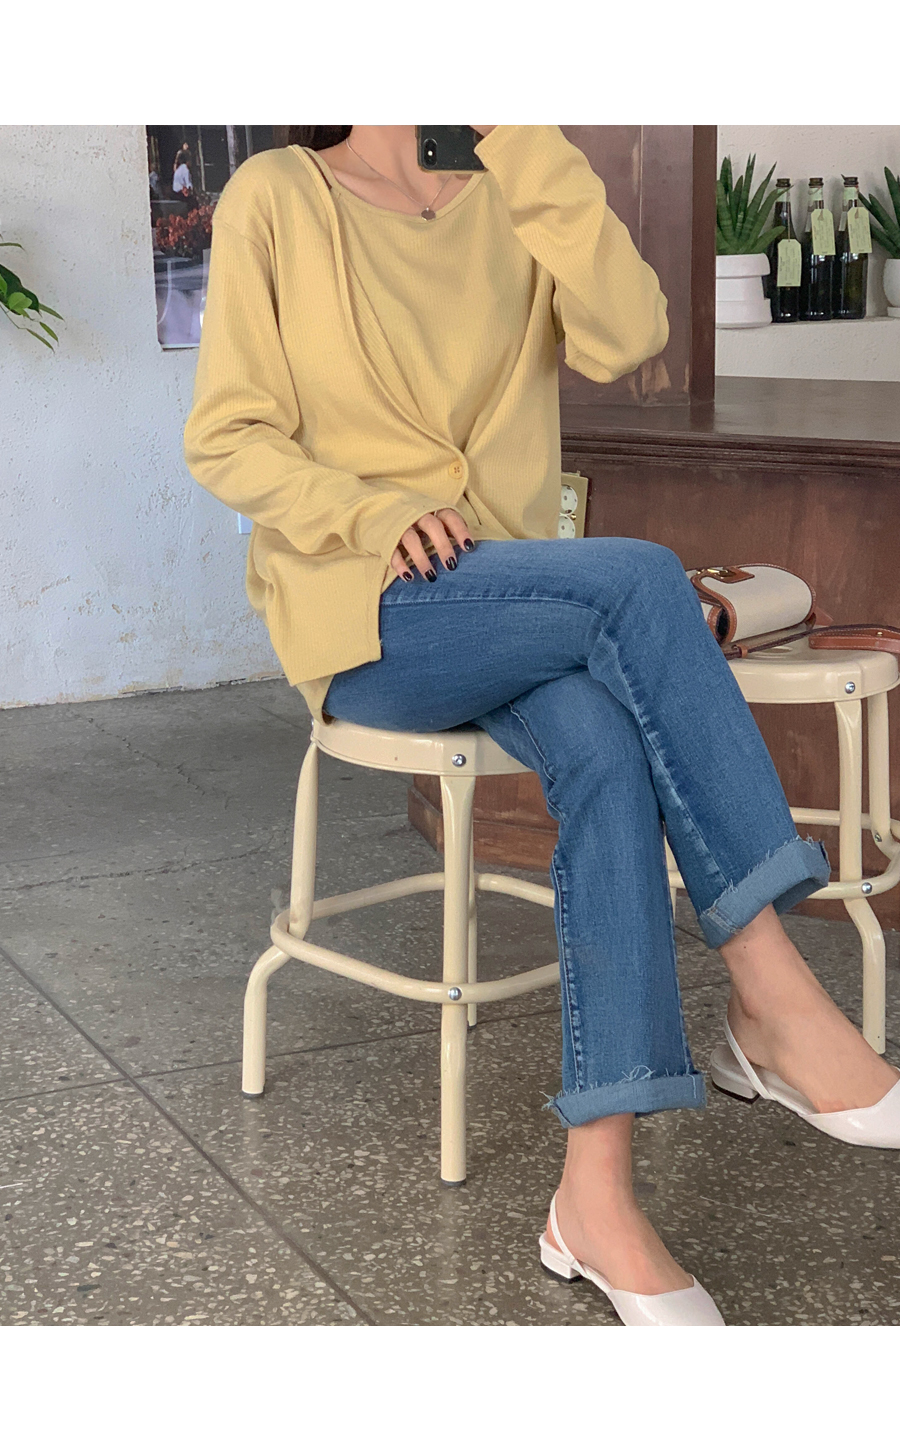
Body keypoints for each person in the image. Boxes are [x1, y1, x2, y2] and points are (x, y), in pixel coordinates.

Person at [183, 126, 900, 1326]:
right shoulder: (277, 197)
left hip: (516, 597)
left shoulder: (515, 186)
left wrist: (524, 141)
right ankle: (772, 990)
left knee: (608, 746)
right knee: (637, 578)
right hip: (369, 605)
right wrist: (371, 513)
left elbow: (629, 334)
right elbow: (226, 435)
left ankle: (594, 1201)